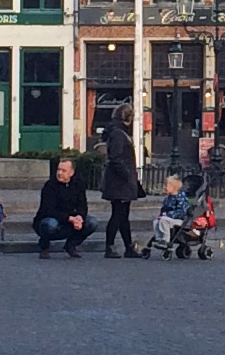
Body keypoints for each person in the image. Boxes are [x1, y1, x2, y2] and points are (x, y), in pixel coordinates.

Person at [99, 105, 142, 259]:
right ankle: (109, 247)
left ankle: (128, 247)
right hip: (120, 183)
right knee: (118, 215)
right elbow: (115, 158)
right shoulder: (119, 133)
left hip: (118, 181)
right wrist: (127, 175)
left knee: (123, 216)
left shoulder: (116, 132)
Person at [34, 156, 94, 258]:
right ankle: (44, 247)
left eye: (64, 170)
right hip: (50, 218)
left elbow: (82, 205)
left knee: (92, 222)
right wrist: (69, 218)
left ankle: (71, 245)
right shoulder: (50, 185)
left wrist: (80, 217)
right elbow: (48, 210)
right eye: (59, 169)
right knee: (50, 224)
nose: (60, 173)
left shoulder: (78, 185)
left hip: (71, 218)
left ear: (71, 173)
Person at [142, 173, 193, 258]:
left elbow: (181, 211)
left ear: (174, 188)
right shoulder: (168, 198)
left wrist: (167, 215)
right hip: (169, 218)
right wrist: (162, 215)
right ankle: (159, 238)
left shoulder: (180, 197)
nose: (164, 187)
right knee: (156, 221)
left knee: (163, 220)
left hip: (179, 219)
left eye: (166, 185)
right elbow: (164, 209)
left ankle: (165, 240)